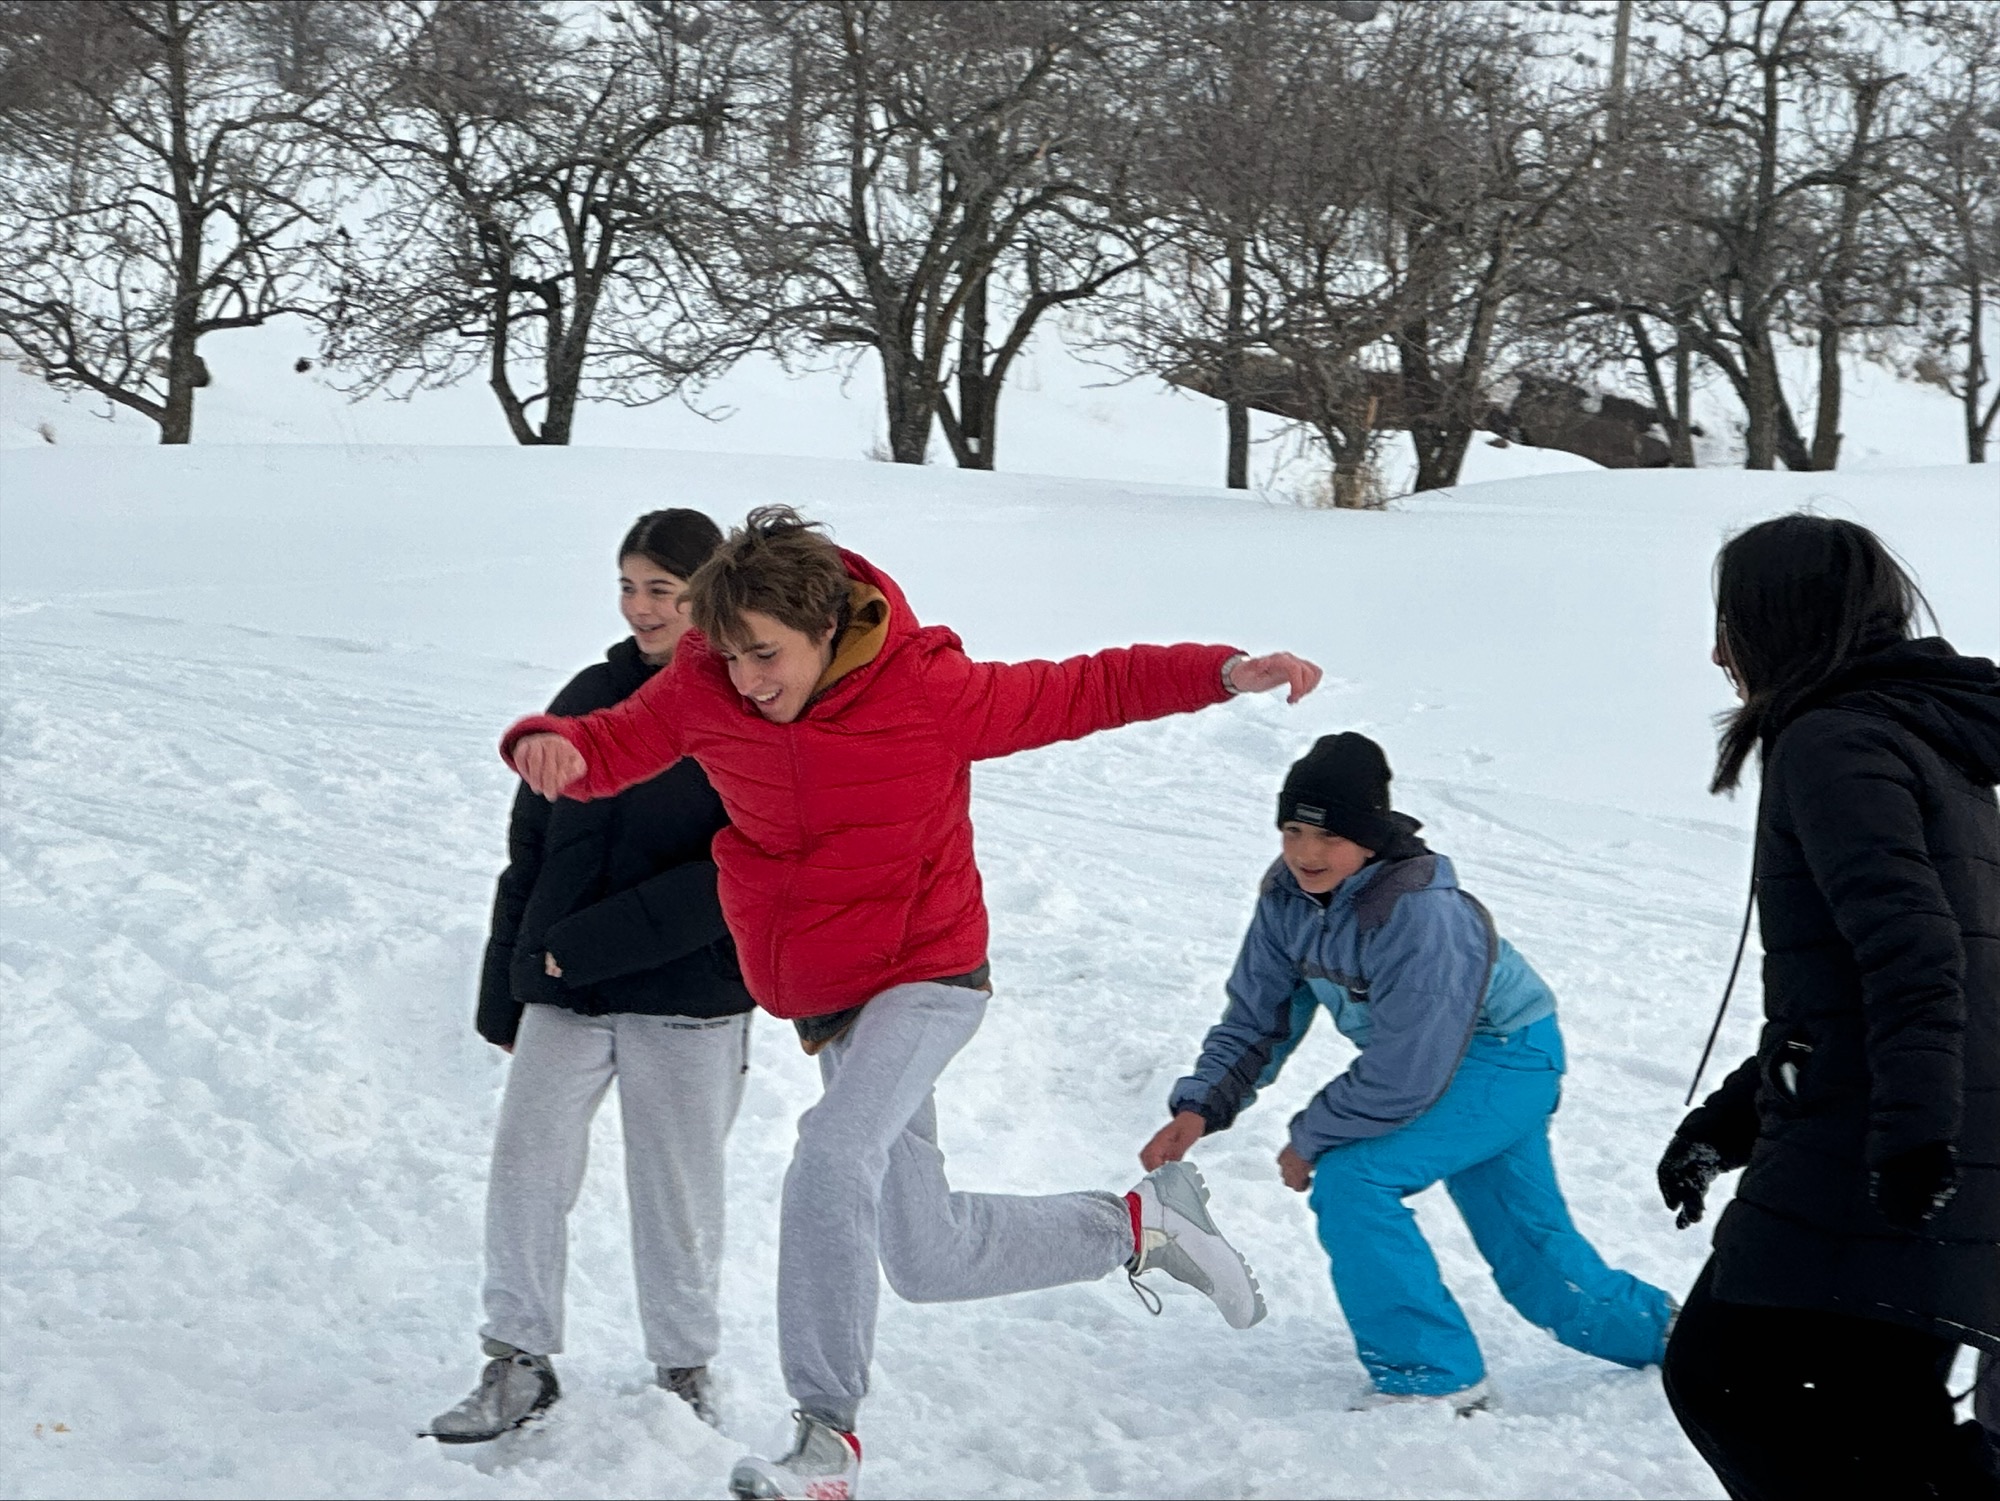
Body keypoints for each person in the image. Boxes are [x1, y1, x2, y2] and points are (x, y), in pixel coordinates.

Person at [502, 506, 1321, 1500]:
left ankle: (824, 1439)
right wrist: (554, 743)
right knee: (922, 1254)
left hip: (927, 974)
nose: (748, 679)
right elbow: (615, 739)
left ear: (825, 629)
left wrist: (1217, 670)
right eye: (730, 655)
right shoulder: (708, 684)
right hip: (830, 996)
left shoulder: (923, 690)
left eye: (766, 655)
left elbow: (1081, 687)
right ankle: (1138, 1228)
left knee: (829, 1158)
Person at [1143, 731, 1675, 1410]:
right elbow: (1258, 1014)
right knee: (1531, 1251)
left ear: (1368, 837)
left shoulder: (1419, 911)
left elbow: (1404, 1071)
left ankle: (1432, 1375)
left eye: (1327, 836)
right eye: (1292, 829)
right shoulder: (1287, 896)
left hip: (1505, 1053)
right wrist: (1202, 1104)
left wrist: (1311, 1133)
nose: (1306, 851)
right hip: (1447, 1060)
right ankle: (1676, 1336)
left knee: (1354, 1176)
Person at [1655, 514, 2000, 1499]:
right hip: (1907, 1125)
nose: (1718, 651)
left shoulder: (1835, 739)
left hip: (1884, 1143)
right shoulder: (1908, 734)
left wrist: (1910, 1143)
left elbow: (1915, 953)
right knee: (1876, 1419)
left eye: (1730, 620)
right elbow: (1838, 987)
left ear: (1781, 619)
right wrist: (1726, 1121)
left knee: (1731, 1379)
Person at [426, 510, 753, 1444]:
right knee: (525, 1168)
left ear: (709, 597)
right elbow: (530, 848)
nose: (640, 606)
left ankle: (685, 1371)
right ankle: (517, 1360)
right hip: (565, 991)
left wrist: (590, 944)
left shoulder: (745, 705)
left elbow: (741, 867)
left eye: (663, 590)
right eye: (628, 585)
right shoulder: (587, 694)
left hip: (692, 999)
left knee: (677, 1191)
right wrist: (508, 984)